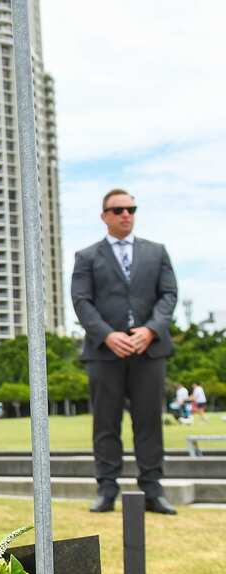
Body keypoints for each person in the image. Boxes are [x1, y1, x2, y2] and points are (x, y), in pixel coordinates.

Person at [70, 188, 178, 515]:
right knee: (106, 423)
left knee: (149, 422)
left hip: (149, 350)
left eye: (131, 208)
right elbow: (81, 301)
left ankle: (152, 489)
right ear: (104, 216)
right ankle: (106, 488)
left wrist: (151, 329)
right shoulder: (87, 257)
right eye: (117, 210)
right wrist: (107, 335)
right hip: (105, 353)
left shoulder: (156, 252)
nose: (125, 214)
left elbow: (169, 295)